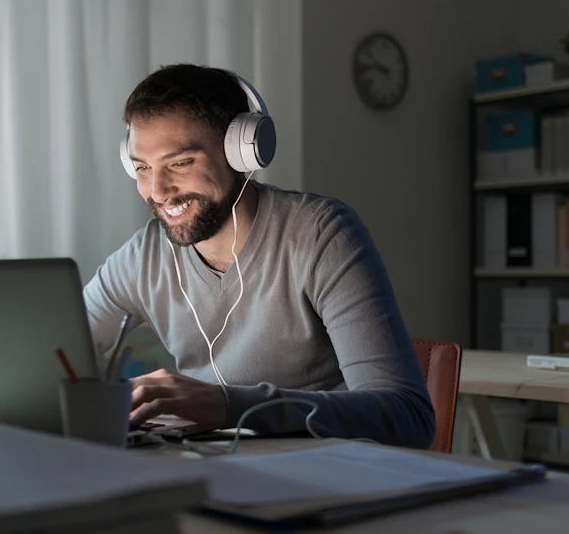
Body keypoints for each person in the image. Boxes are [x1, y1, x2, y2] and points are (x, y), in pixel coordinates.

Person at [83, 64, 435, 448]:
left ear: (242, 151)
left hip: (326, 474)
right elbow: (53, 351)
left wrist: (229, 405)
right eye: (141, 168)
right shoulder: (143, 257)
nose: (158, 190)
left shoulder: (321, 235)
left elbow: (408, 416)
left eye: (181, 163)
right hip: (212, 470)